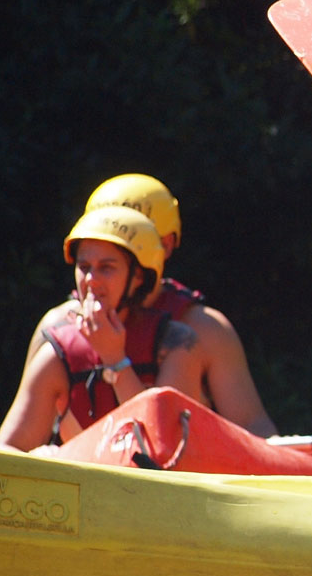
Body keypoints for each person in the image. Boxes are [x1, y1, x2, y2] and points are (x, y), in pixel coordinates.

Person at [20, 174, 275, 437]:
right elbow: (16, 440)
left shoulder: (203, 329)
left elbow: (254, 427)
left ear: (164, 245)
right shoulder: (57, 328)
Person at [0, 207, 193, 451]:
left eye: (106, 267)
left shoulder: (174, 345)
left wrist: (116, 361)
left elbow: (164, 450)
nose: (91, 279)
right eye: (84, 267)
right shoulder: (57, 354)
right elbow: (5, 450)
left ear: (138, 277)